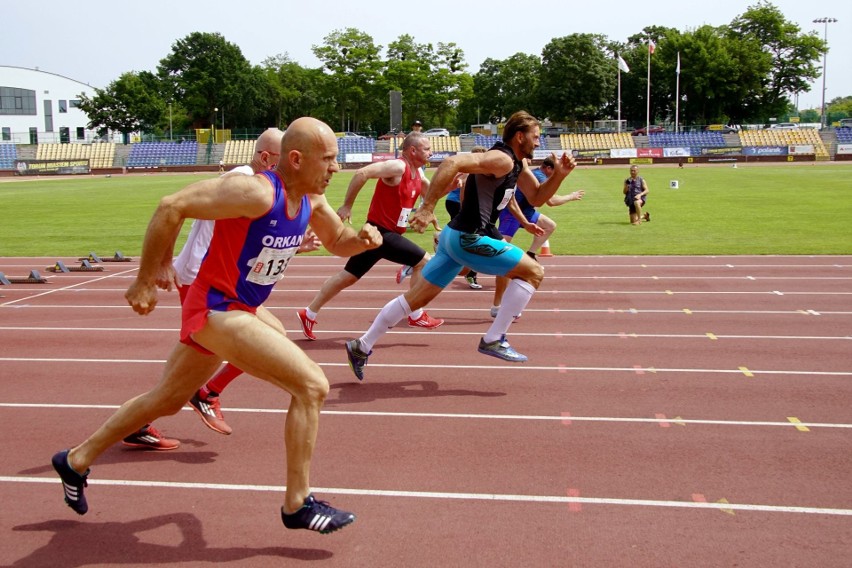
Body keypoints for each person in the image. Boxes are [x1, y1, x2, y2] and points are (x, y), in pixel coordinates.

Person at [51, 117, 380, 535]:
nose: (336, 168)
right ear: (296, 159)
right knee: (312, 386)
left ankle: (75, 460)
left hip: (239, 310)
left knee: (167, 399)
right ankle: (297, 504)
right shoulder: (257, 192)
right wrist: (146, 276)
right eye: (329, 159)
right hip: (216, 309)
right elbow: (172, 205)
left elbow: (337, 241)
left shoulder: (312, 201)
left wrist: (364, 239)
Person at [344, 110, 577, 381]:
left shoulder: (518, 164)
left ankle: (362, 345)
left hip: (453, 239)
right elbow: (452, 162)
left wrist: (559, 174)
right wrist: (428, 206)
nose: (539, 143)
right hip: (469, 237)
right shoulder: (501, 159)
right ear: (519, 136)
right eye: (535, 137)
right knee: (534, 272)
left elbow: (536, 197)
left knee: (415, 300)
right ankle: (494, 337)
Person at [120, 128, 292, 448]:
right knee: (181, 384)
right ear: (266, 157)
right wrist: (163, 262)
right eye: (286, 158)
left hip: (227, 285)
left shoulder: (267, 190)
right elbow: (176, 208)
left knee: (181, 376)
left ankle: (155, 414)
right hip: (204, 282)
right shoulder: (241, 179)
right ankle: (203, 394)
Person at [296, 131, 443, 343]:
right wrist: (347, 205)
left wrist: (454, 185)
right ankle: (416, 314)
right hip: (381, 232)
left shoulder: (418, 174)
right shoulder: (398, 167)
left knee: (347, 276)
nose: (431, 152)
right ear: (413, 150)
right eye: (427, 148)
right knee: (423, 262)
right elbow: (362, 173)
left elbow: (432, 194)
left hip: (376, 235)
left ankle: (308, 313)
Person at [491, 156, 585, 316]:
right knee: (502, 260)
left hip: (527, 213)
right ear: (548, 168)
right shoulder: (539, 177)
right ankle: (497, 305)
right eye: (555, 171)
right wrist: (571, 196)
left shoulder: (534, 174)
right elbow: (552, 201)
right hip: (511, 215)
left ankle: (531, 254)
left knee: (549, 226)